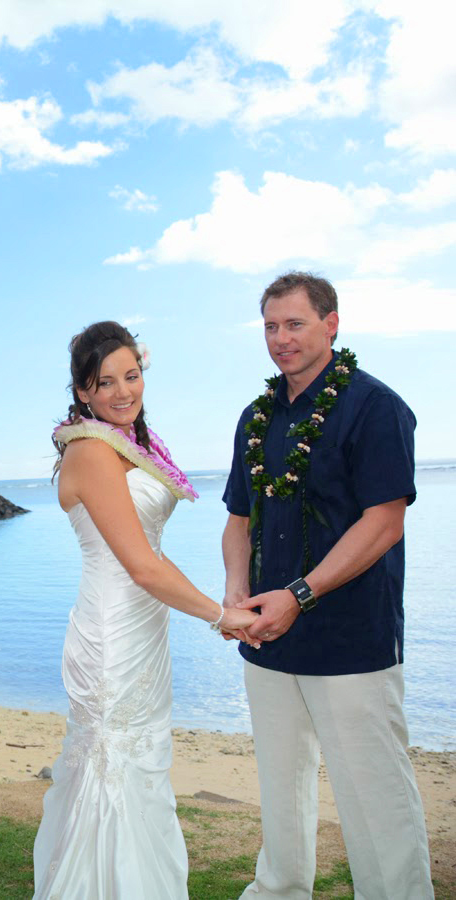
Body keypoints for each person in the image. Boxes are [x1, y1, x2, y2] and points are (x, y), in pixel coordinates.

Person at [221, 272, 432, 899]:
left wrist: (301, 594)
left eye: (295, 324)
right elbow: (238, 520)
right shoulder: (256, 417)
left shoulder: (375, 406)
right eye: (270, 326)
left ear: (331, 324)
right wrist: (236, 592)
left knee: (375, 796)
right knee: (280, 787)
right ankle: (279, 892)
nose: (281, 339)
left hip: (350, 641)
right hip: (266, 638)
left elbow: (384, 522)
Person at [33, 321, 257, 899]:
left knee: (141, 768)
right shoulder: (90, 451)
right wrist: (221, 615)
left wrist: (220, 597)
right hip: (113, 627)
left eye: (130, 376)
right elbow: (142, 567)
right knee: (115, 768)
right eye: (104, 382)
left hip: (145, 626)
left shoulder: (134, 444)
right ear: (83, 391)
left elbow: (152, 555)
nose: (122, 391)